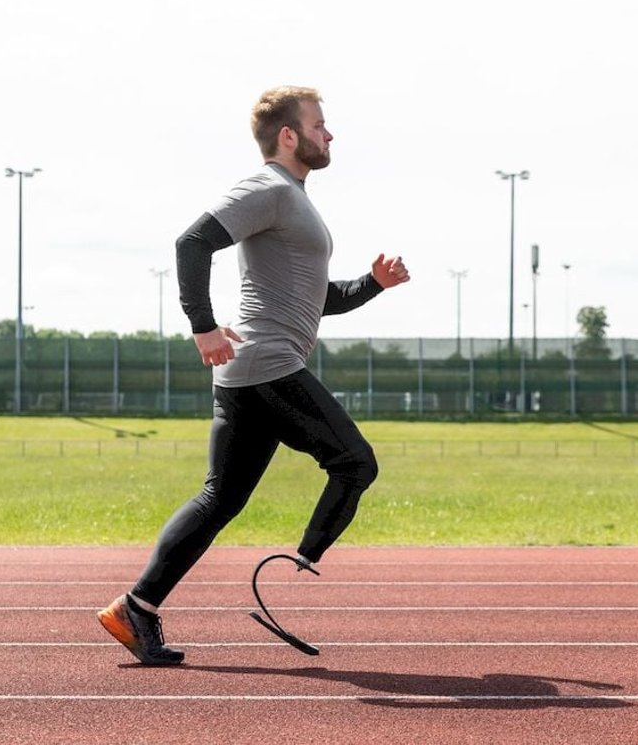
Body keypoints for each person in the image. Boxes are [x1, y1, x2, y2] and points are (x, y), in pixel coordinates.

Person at [98, 85, 411, 665]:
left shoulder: (293, 200)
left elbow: (318, 300)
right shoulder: (269, 187)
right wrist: (204, 326)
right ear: (287, 135)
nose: (329, 134)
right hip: (267, 366)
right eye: (319, 125)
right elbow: (192, 242)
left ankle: (135, 609)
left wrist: (372, 285)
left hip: (251, 372)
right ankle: (303, 560)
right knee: (354, 463)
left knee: (221, 497)